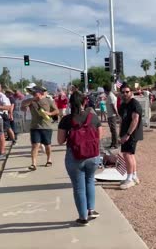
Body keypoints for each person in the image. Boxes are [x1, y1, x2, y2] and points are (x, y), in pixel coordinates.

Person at [57, 91, 101, 226]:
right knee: (90, 181)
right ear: (85, 102)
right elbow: (99, 137)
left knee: (79, 187)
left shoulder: (67, 120)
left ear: (70, 103)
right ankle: (91, 210)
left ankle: (83, 217)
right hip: (93, 155)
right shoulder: (93, 117)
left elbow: (60, 140)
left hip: (75, 156)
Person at [21, 86, 59, 170]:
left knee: (47, 145)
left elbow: (57, 111)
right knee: (35, 145)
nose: (33, 94)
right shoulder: (31, 101)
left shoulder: (48, 100)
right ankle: (33, 164)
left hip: (46, 126)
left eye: (35, 92)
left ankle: (49, 159)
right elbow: (23, 105)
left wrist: (49, 113)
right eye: (33, 93)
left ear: (40, 92)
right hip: (35, 126)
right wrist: (31, 100)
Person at [118, 84, 143, 190]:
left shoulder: (134, 104)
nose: (125, 94)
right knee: (130, 155)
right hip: (125, 133)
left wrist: (127, 135)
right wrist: (121, 133)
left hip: (131, 134)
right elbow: (122, 120)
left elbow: (135, 119)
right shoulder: (123, 105)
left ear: (131, 92)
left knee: (127, 155)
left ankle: (129, 179)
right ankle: (134, 176)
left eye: (127, 92)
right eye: (123, 92)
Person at [103, 84, 119, 149]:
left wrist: (117, 114)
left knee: (113, 130)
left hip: (112, 115)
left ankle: (115, 144)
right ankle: (113, 143)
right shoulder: (109, 96)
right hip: (110, 115)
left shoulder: (111, 96)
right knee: (112, 130)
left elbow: (113, 107)